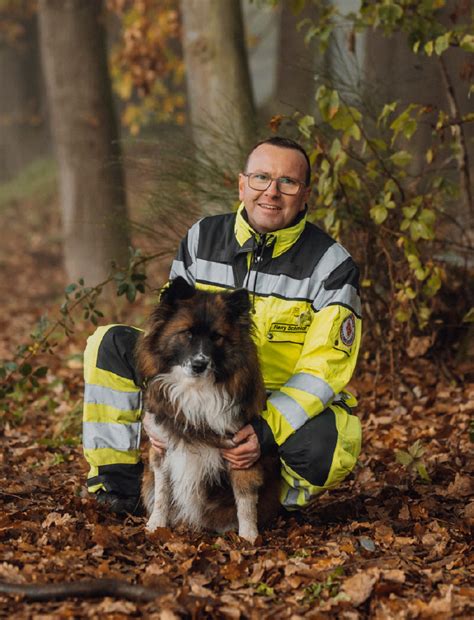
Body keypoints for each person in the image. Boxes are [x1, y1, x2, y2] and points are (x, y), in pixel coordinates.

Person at [82, 136, 362, 516]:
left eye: (288, 182)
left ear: (306, 193)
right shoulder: (202, 237)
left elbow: (325, 369)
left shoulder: (331, 264)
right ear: (242, 183)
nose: (272, 192)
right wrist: (156, 410)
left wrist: (264, 432)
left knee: (326, 442)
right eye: (261, 177)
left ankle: (266, 505)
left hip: (270, 403)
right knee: (108, 343)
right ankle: (119, 490)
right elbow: (167, 330)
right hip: (199, 386)